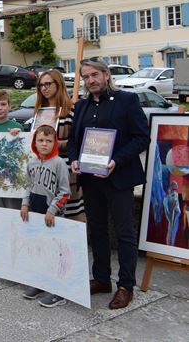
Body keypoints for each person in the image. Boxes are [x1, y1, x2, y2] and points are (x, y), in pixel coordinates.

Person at [68, 59, 150, 310]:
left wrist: (115, 161)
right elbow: (74, 141)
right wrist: (73, 160)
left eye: (95, 75)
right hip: (91, 180)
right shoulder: (81, 106)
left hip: (119, 178)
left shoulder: (127, 100)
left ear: (106, 75)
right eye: (86, 77)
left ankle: (126, 286)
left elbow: (141, 138)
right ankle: (102, 278)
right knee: (97, 230)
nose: (90, 80)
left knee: (125, 233)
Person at [20, 125, 71, 307]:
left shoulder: (59, 163)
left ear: (54, 143)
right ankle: (40, 283)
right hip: (35, 210)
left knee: (54, 252)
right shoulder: (32, 162)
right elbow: (28, 185)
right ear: (35, 142)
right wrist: (25, 203)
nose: (44, 144)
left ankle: (57, 291)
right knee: (39, 248)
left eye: (49, 141)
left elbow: (65, 192)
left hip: (52, 215)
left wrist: (52, 210)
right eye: (41, 140)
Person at [34, 69, 84, 222]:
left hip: (67, 169)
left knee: (69, 214)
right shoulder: (38, 112)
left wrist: (55, 144)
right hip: (43, 171)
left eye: (48, 84)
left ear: (59, 84)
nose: (44, 88)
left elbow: (80, 140)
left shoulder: (72, 109)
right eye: (41, 85)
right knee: (47, 212)